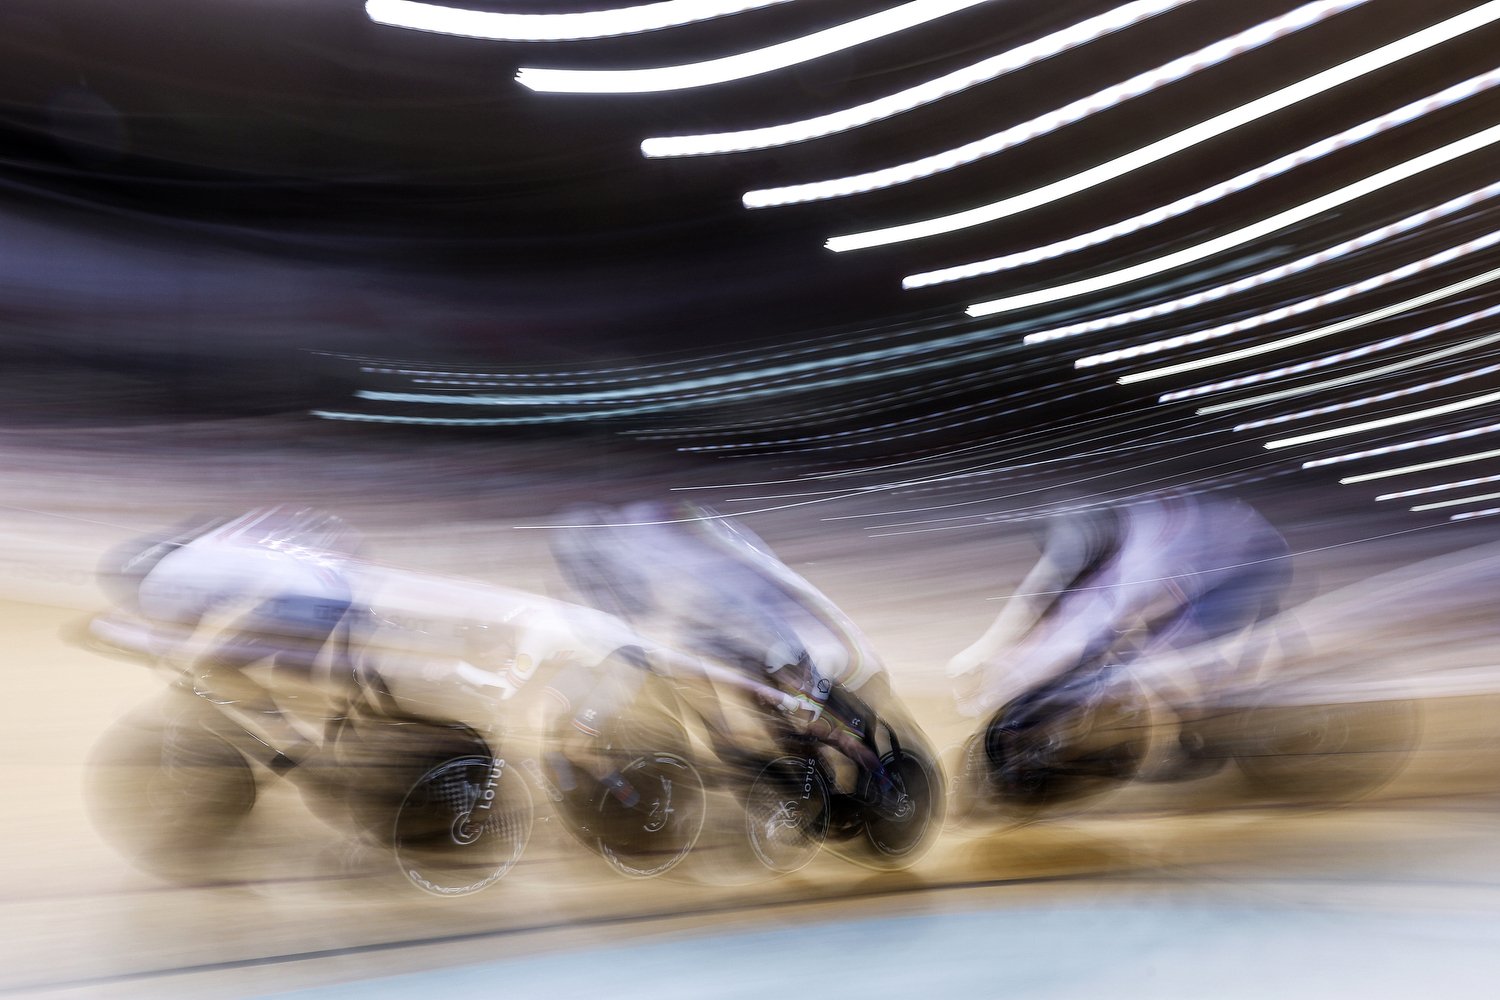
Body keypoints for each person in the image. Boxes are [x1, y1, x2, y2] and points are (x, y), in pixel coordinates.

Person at [549, 500, 907, 816]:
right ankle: (818, 781)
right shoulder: (634, 565)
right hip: (720, 642)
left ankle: (881, 780)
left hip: (758, 635)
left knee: (808, 717)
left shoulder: (651, 546)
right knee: (770, 726)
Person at [947, 491, 1293, 793]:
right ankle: (1208, 709)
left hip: (1245, 570)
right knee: (1119, 649)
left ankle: (1207, 730)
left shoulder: (1142, 562)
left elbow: (1084, 631)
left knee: (1156, 657)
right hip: (1211, 550)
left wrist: (1000, 688)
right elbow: (1043, 591)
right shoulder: (1110, 528)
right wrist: (987, 650)